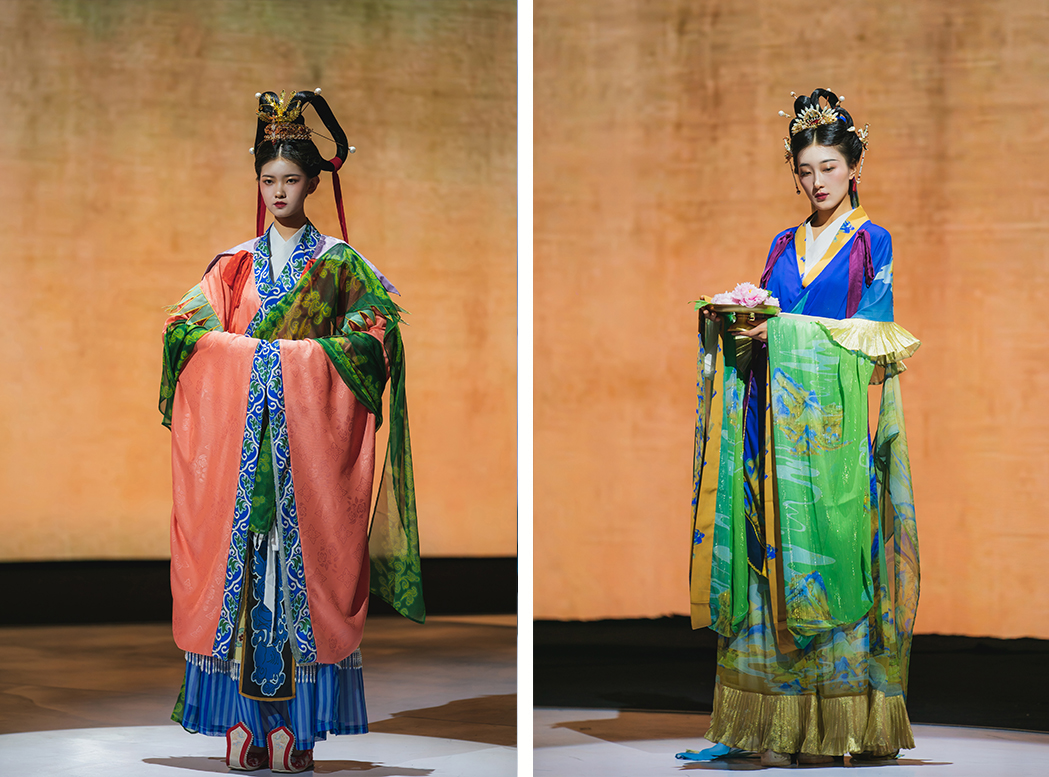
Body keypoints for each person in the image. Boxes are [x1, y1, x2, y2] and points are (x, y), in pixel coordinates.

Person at [159, 89, 423, 773]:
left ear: (312, 183)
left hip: (306, 459)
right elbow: (183, 329)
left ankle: (297, 732)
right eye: (268, 179)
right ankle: (240, 726)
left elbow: (375, 338)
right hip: (243, 457)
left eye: (291, 179)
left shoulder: (340, 264)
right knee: (245, 579)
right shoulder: (233, 265)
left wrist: (295, 362)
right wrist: (255, 359)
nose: (278, 191)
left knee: (294, 579)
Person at [681, 88, 920, 767]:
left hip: (828, 434)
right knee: (765, 553)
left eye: (829, 168)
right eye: (806, 170)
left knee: (829, 559)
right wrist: (736, 325)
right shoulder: (782, 243)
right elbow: (765, 321)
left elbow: (871, 338)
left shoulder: (871, 242)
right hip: (768, 421)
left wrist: (782, 333)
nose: (817, 182)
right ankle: (760, 724)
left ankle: (833, 727)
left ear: (853, 168)